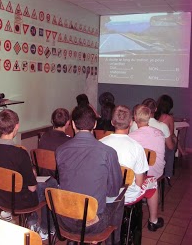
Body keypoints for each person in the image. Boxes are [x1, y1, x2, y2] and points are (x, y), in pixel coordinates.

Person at [0, 109, 56, 240]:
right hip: (21, 202)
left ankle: (32, 222)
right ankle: (46, 228)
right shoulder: (20, 154)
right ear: (17, 126)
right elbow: (32, 188)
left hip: (0, 199)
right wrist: (31, 175)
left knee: (27, 187)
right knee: (52, 184)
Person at [56, 105, 124, 245]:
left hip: (64, 220)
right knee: (119, 199)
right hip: (93, 224)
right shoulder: (108, 152)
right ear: (94, 124)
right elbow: (114, 190)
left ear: (73, 124)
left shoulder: (60, 150)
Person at [100, 105, 164, 232]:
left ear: (112, 122)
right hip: (127, 195)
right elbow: (139, 183)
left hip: (103, 194)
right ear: (130, 122)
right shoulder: (136, 147)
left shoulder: (100, 142)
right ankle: (153, 221)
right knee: (153, 183)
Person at [129, 105, 165, 179]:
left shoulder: (132, 136)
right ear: (149, 117)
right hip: (158, 171)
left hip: (142, 173)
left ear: (135, 118)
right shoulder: (160, 133)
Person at [155, 95, 176, 183]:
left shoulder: (154, 116)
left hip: (152, 144)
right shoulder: (169, 118)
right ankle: (168, 174)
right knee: (171, 149)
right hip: (163, 144)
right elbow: (170, 135)